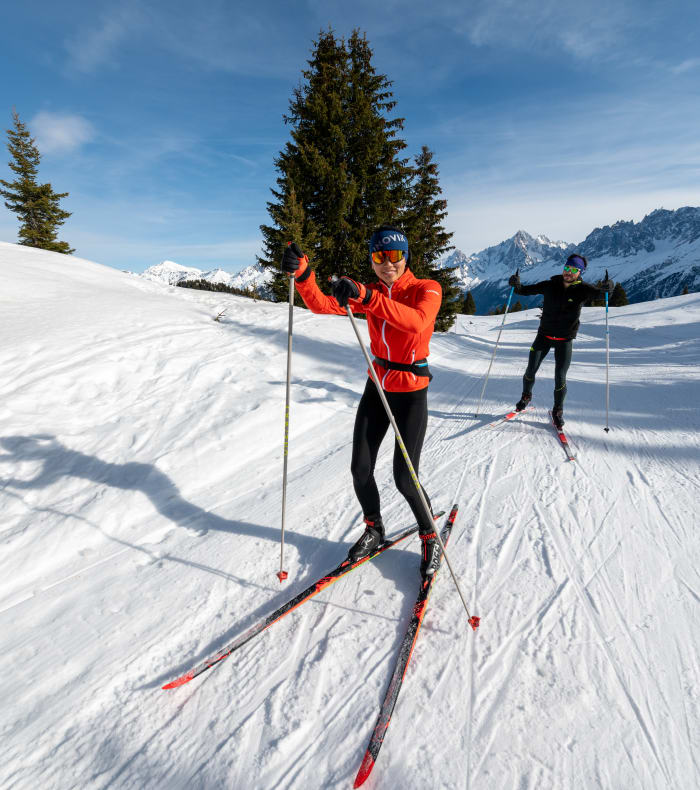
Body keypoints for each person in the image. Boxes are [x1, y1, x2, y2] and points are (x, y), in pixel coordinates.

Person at [281, 226, 443, 578]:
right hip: (378, 386)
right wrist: (304, 273)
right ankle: (374, 528)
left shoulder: (426, 289)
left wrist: (368, 297)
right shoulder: (367, 292)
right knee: (360, 468)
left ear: (407, 257)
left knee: (405, 478)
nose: (388, 264)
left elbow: (417, 323)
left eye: (395, 256)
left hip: (411, 392)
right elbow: (322, 305)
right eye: (380, 256)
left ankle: (430, 536)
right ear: (372, 259)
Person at [508, 253, 613, 428]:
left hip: (564, 340)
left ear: (580, 272)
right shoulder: (550, 284)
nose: (568, 272)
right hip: (544, 336)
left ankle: (558, 410)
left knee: (560, 377)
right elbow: (524, 290)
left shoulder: (584, 289)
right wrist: (516, 284)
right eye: (566, 268)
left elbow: (602, 294)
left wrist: (610, 287)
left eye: (573, 270)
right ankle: (526, 396)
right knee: (530, 371)